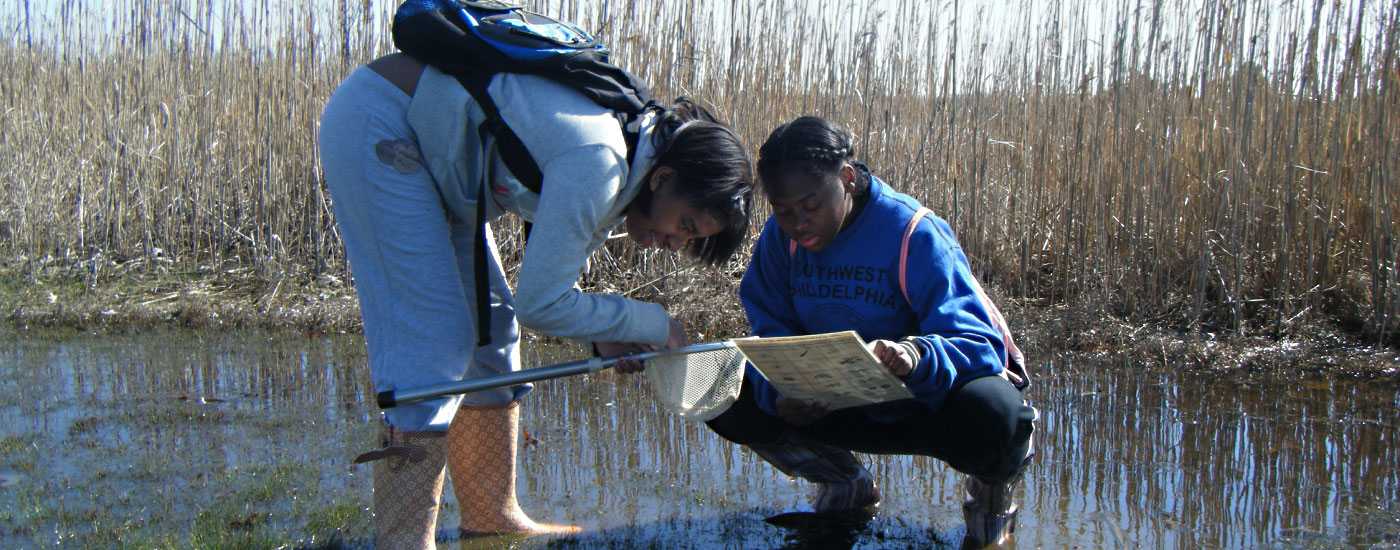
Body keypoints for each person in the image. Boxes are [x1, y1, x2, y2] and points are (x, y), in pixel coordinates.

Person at [317, 51, 753, 549]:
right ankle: (402, 543)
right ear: (664, 178)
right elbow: (541, 303)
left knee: (493, 332)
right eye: (686, 226)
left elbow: (554, 288)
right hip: (383, 121)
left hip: (442, 168)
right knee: (434, 343)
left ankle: (492, 517)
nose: (676, 243)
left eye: (690, 241)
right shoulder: (603, 161)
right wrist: (654, 324)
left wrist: (605, 335)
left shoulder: (632, 163)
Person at [702, 116, 1035, 547]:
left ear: (845, 179)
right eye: (784, 212)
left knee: (999, 416)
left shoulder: (913, 232)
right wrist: (781, 393)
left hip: (921, 406)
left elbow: (981, 344)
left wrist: (914, 355)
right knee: (714, 383)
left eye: (811, 206)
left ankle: (990, 517)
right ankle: (845, 485)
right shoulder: (779, 239)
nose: (798, 223)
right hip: (832, 405)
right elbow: (771, 331)